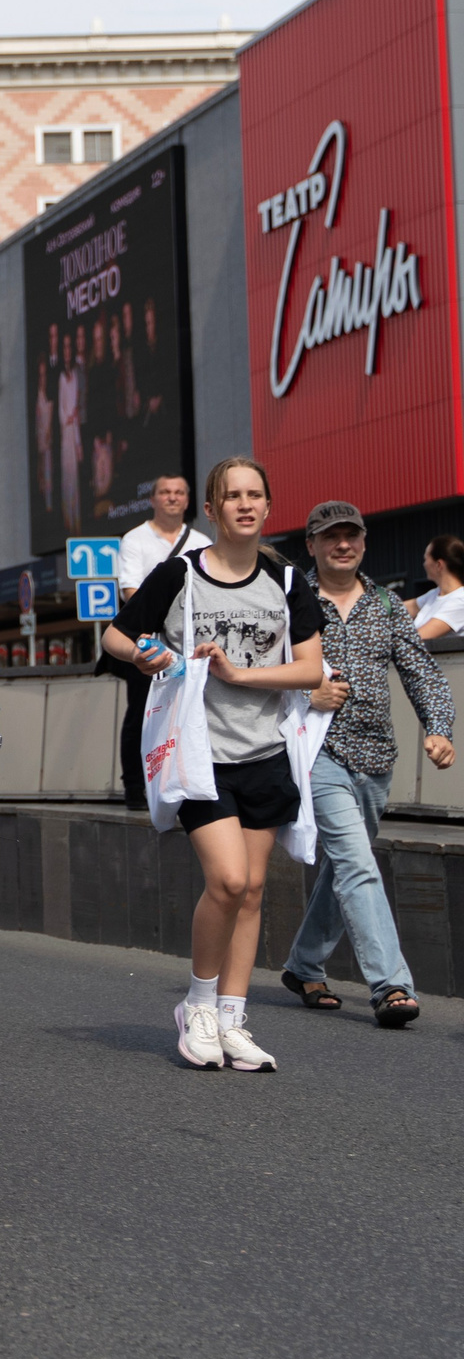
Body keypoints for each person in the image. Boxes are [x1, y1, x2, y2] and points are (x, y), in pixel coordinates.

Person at [105, 457, 325, 1075]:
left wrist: (240, 673)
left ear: (268, 506)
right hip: (200, 755)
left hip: (265, 753)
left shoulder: (286, 581)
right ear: (213, 509)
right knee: (227, 880)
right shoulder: (180, 574)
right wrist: (147, 653)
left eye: (256, 494)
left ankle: (232, 1018)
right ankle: (197, 1006)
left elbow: (310, 668)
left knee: (253, 892)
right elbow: (116, 638)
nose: (245, 505)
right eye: (233, 496)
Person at [278, 501, 451, 1028]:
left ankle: (304, 965)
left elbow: (421, 673)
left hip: (377, 759)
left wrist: (439, 728)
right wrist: (309, 695)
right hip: (318, 754)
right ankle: (391, 986)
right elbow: (258, 670)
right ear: (311, 545)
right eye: (331, 537)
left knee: (342, 870)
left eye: (352, 535)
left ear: (364, 543)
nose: (343, 545)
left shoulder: (386, 605)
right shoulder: (290, 600)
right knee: (357, 864)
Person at [110, 474, 211, 807]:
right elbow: (130, 592)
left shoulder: (200, 540)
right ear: (152, 500)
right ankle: (135, 787)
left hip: (189, 644)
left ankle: (184, 780)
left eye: (179, 492)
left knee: (191, 711)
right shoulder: (134, 539)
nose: (172, 498)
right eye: (165, 492)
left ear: (187, 500)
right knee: (141, 711)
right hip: (149, 641)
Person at [408, 534, 464, 639]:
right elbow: (399, 607)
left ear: (439, 565)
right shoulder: (433, 595)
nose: (424, 564)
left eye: (426, 559)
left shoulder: (460, 600)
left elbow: (418, 638)